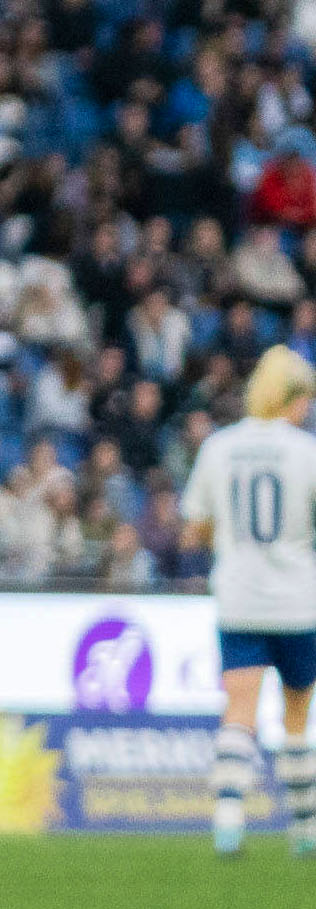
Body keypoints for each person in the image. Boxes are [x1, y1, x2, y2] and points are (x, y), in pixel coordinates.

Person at [174, 345, 316, 858]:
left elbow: (194, 528)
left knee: (239, 710)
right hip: (298, 601)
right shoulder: (306, 451)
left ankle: (229, 821)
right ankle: (304, 830)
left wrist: (223, 534)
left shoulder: (219, 447)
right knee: (297, 716)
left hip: (238, 597)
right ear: (293, 399)